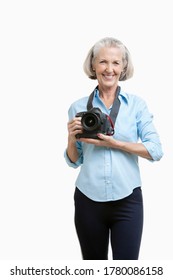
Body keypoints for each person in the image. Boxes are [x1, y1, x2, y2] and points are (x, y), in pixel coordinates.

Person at [64, 37, 163, 260]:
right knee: (93, 268)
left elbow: (155, 151)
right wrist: (71, 138)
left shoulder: (136, 105)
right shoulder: (78, 107)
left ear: (124, 67)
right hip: (88, 200)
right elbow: (74, 161)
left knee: (126, 270)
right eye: (103, 62)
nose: (109, 69)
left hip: (127, 201)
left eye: (116, 63)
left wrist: (115, 143)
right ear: (93, 65)